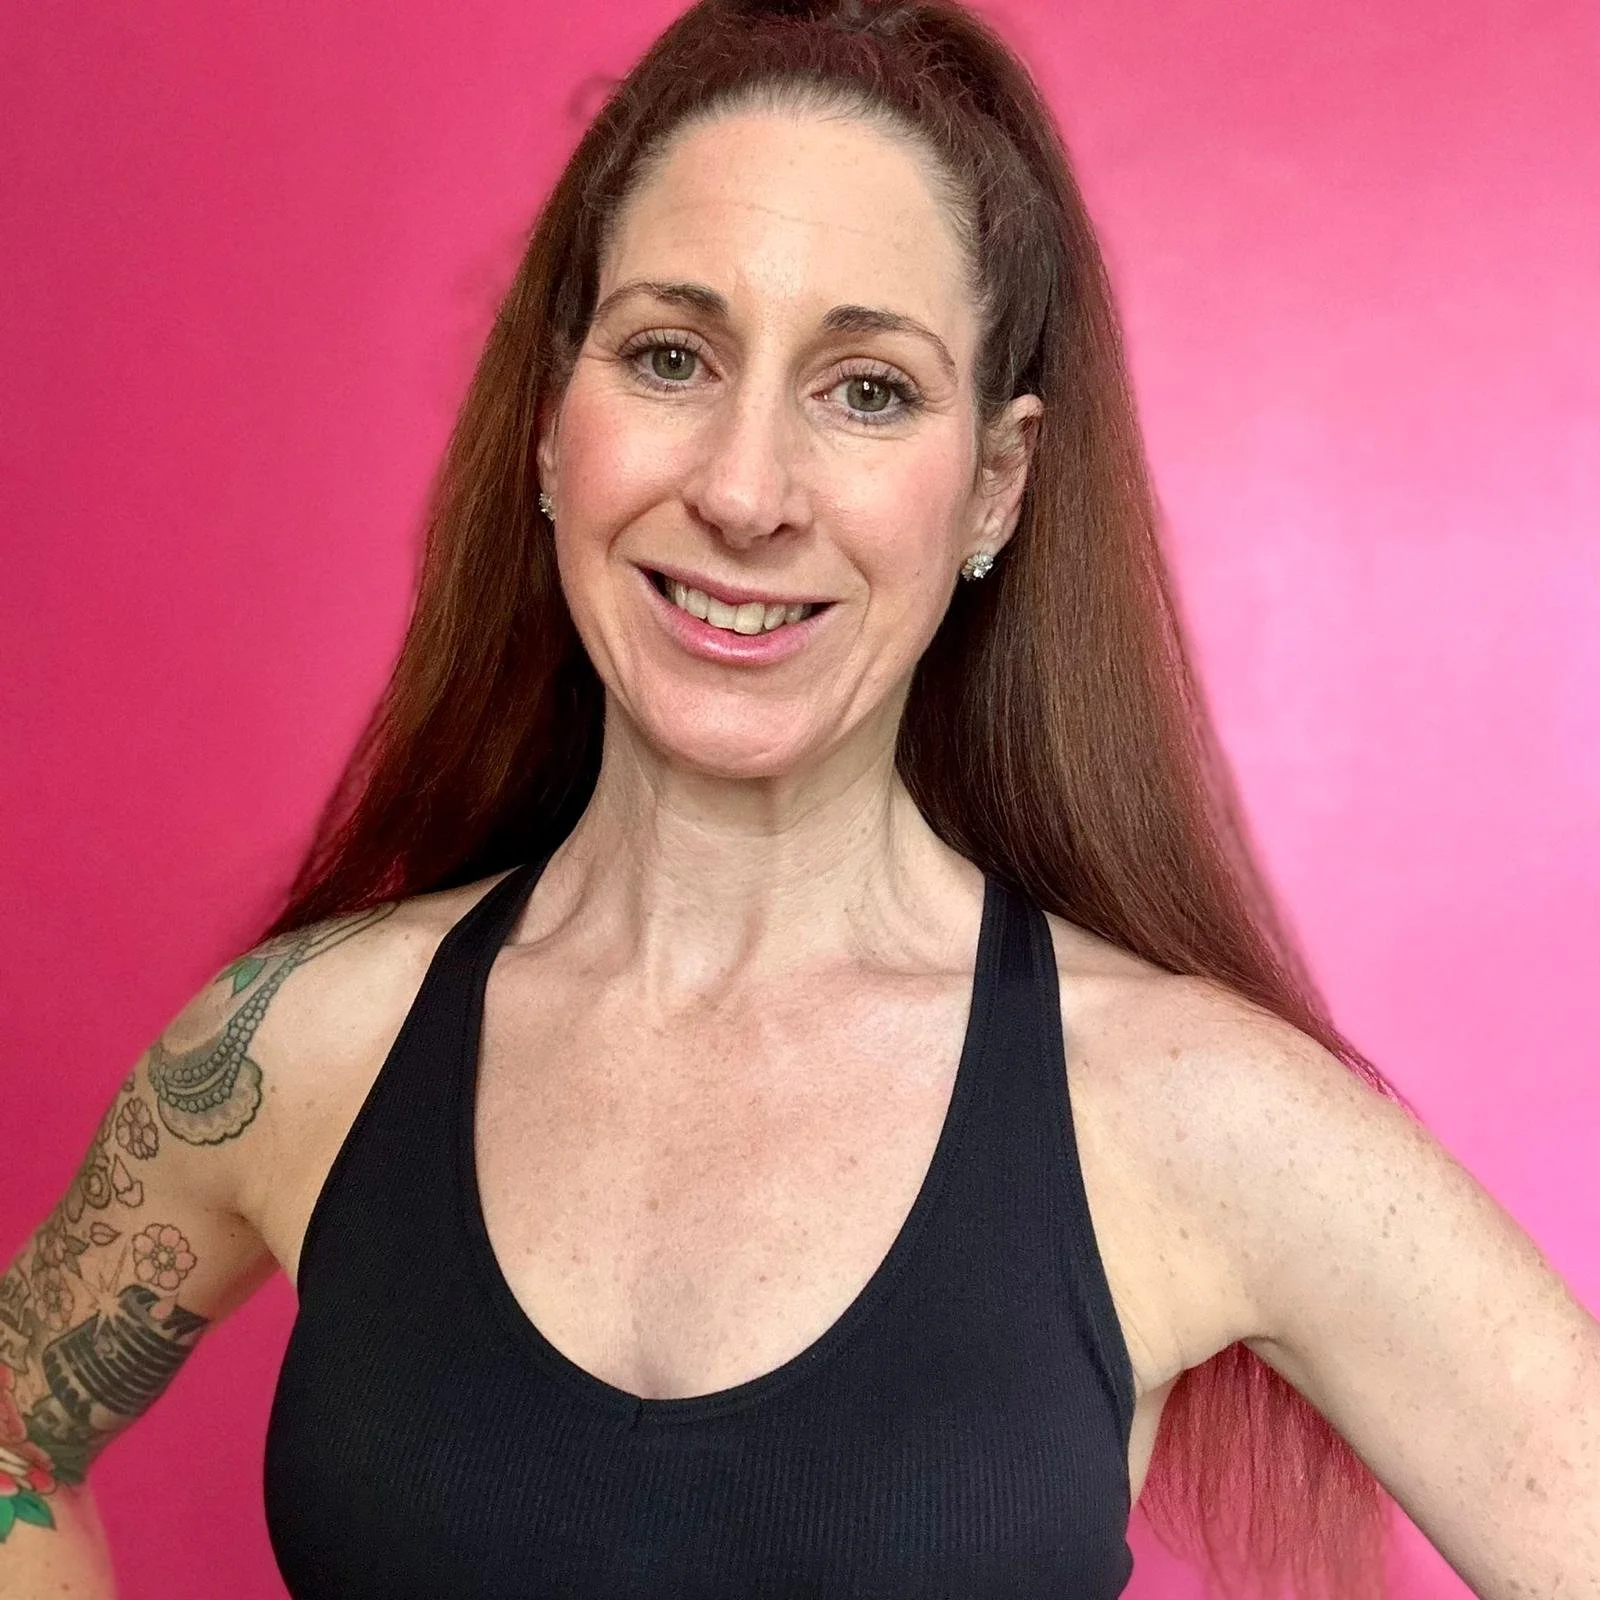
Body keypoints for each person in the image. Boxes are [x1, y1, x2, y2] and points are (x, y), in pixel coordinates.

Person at [4, 0, 1596, 1594]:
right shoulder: (297, 1049)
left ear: (995, 484)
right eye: (672, 357)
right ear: (558, 424)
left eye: (870, 391)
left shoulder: (1187, 1108)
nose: (746, 491)